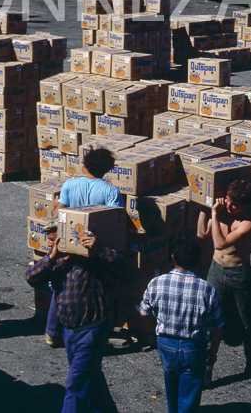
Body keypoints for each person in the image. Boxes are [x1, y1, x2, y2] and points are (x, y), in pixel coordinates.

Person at [26, 221, 122, 413]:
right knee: (91, 376)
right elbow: (32, 277)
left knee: (76, 385)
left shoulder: (90, 259)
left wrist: (99, 248)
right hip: (69, 332)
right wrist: (52, 257)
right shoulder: (56, 262)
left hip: (91, 330)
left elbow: (121, 266)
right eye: (50, 241)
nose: (51, 244)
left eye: (54, 240)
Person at [45, 147, 123, 347]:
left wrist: (56, 203)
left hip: (69, 246)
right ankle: (94, 331)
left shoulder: (70, 185)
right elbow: (116, 222)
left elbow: (56, 216)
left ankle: (52, 333)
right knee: (95, 289)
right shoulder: (111, 191)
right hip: (93, 248)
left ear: (85, 166)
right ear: (107, 170)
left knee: (61, 286)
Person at [138, 238, 225, 413]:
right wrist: (213, 353)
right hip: (194, 348)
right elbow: (216, 326)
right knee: (190, 394)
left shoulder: (156, 283)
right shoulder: (207, 289)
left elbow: (143, 313)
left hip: (166, 346)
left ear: (173, 257)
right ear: (198, 261)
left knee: (171, 386)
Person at [197, 179, 251, 375]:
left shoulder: (249, 223)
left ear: (247, 205)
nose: (230, 207)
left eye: (236, 205)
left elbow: (220, 243)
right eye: (229, 201)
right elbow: (201, 234)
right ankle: (208, 366)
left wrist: (214, 214)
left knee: (246, 321)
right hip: (216, 270)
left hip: (238, 274)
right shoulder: (221, 214)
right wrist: (203, 207)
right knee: (209, 319)